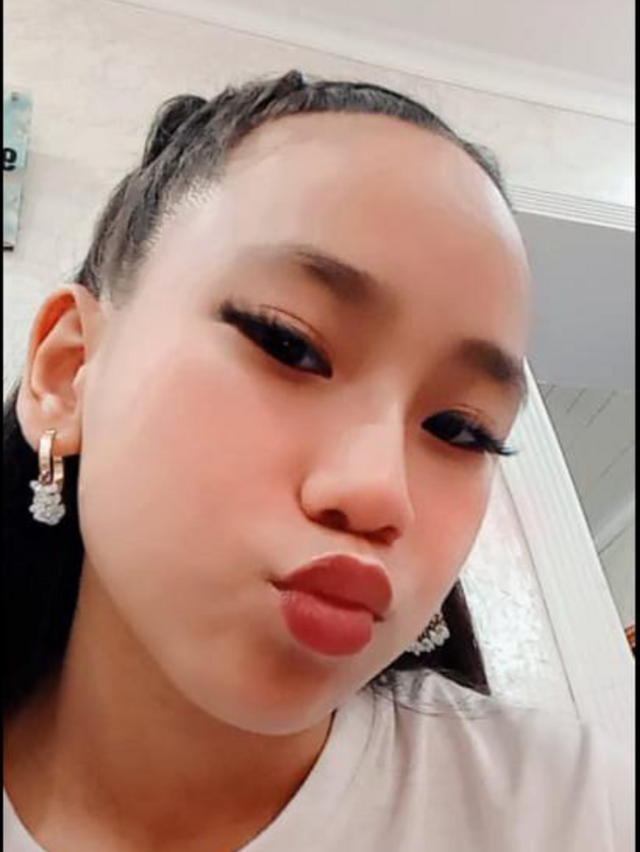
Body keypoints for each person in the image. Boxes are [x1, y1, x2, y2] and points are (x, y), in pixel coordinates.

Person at [3, 71, 632, 852]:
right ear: (67, 373)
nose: (379, 493)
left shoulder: (574, 813)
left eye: (461, 429)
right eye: (289, 344)